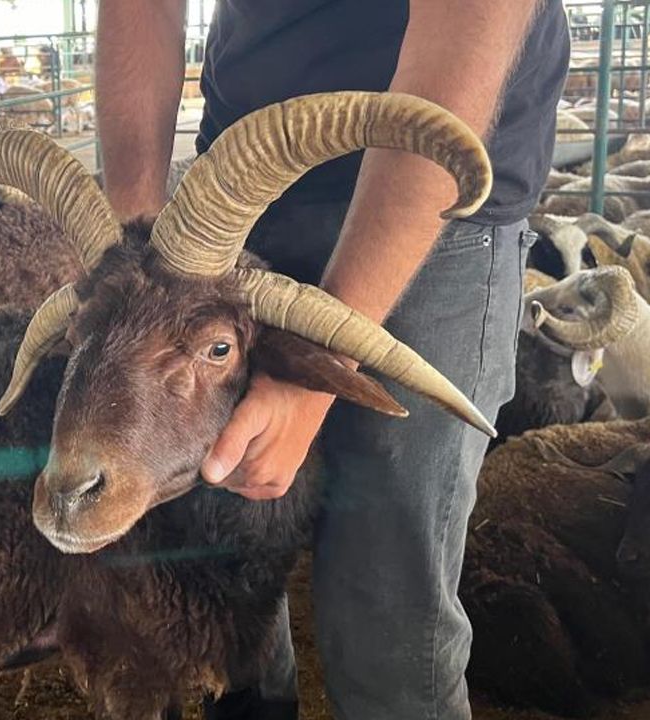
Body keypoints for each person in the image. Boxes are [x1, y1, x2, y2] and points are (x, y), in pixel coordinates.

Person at [96, 1, 567, 718]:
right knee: (226, 572)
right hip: (243, 189)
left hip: (436, 191)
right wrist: (141, 251)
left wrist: (318, 369)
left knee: (384, 615)